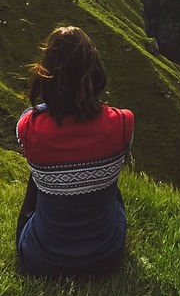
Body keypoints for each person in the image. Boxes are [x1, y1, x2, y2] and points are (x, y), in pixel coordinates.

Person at [16, 25, 134, 278]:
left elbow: (31, 119)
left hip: (42, 260)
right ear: (95, 72)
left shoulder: (28, 126)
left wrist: (56, 101)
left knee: (37, 176)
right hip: (107, 255)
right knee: (109, 176)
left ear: (46, 73)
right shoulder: (123, 122)